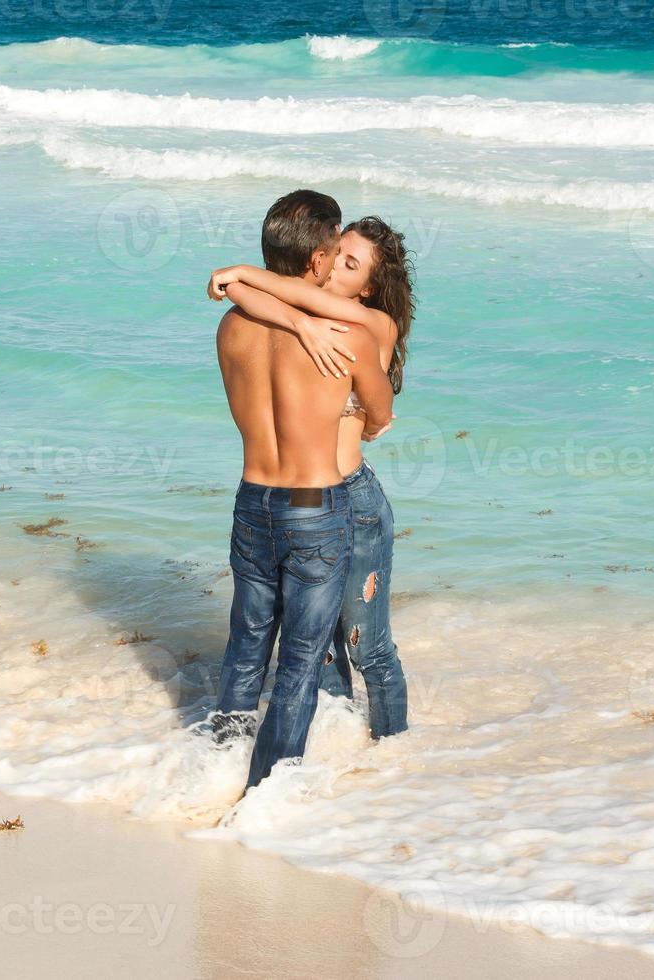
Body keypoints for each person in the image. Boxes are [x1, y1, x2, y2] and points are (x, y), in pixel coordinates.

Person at [211, 189, 394, 794]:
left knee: (244, 648)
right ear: (317, 262)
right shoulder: (345, 333)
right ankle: (267, 794)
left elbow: (245, 295)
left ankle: (215, 766)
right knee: (298, 665)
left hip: (250, 500)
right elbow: (379, 411)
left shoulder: (230, 328)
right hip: (314, 508)